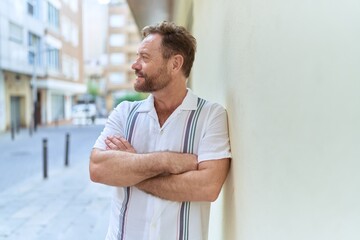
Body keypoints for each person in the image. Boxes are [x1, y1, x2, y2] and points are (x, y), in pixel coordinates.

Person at [90, 21, 231, 240]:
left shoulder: (211, 116)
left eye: (144, 58)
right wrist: (168, 161)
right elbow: (98, 169)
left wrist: (130, 171)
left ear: (175, 64)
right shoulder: (124, 113)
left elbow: (207, 187)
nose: (134, 65)